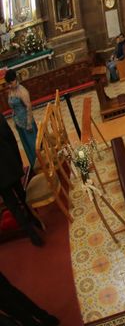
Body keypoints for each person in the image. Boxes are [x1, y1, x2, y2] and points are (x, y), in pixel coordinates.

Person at [0, 113, 43, 246]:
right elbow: (10, 137)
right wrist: (17, 160)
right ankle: (34, 218)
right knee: (21, 193)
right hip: (8, 160)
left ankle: (32, 235)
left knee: (11, 204)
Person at [5, 69, 37, 169]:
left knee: (33, 145)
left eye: (11, 83)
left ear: (16, 79)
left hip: (27, 123)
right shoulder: (11, 91)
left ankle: (41, 164)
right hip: (19, 123)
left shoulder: (22, 91)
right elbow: (13, 107)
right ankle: (34, 166)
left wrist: (29, 123)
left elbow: (29, 107)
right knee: (26, 145)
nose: (9, 85)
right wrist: (14, 119)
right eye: (8, 84)